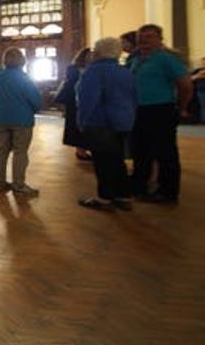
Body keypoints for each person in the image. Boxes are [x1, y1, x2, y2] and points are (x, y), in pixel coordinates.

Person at [130, 24, 192, 203]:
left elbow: (186, 85)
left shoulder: (166, 59)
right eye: (141, 37)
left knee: (165, 153)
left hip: (160, 109)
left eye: (149, 36)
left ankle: (168, 192)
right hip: (139, 111)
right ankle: (139, 186)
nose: (143, 40)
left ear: (159, 39)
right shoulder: (136, 59)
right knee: (140, 150)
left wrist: (181, 107)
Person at [76, 37, 137, 211]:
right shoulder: (125, 71)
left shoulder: (93, 72)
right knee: (118, 160)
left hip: (100, 123)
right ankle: (123, 196)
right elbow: (133, 98)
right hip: (123, 122)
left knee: (103, 162)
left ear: (99, 52)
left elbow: (87, 100)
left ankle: (105, 198)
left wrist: (82, 122)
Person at [0, 48, 43, 197]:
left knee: (1, 151)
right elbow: (36, 100)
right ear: (22, 61)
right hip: (22, 120)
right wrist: (35, 108)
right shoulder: (24, 78)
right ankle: (18, 184)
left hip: (2, 119)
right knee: (20, 152)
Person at [55, 47, 92, 161]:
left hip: (86, 101)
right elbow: (72, 83)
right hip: (73, 102)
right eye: (89, 55)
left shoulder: (93, 68)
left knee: (85, 126)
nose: (91, 57)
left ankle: (84, 149)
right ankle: (80, 151)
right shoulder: (73, 69)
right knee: (75, 125)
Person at [192, 58, 205, 124]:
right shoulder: (197, 71)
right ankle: (203, 120)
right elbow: (190, 78)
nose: (204, 64)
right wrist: (198, 75)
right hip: (201, 91)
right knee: (203, 106)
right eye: (203, 62)